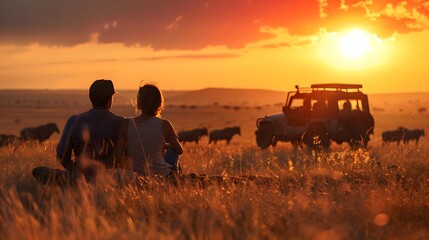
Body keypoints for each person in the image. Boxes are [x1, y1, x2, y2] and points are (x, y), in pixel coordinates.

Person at [32, 79, 125, 186]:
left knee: (40, 171)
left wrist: (73, 171)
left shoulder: (74, 121)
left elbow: (61, 155)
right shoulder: (121, 123)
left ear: (91, 98)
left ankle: (69, 179)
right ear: (110, 100)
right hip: (109, 179)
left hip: (80, 176)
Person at [114, 83, 183, 177]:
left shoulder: (126, 124)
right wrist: (166, 146)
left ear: (139, 102)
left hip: (136, 175)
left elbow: (118, 157)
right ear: (159, 103)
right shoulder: (164, 124)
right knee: (173, 151)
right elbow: (179, 150)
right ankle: (178, 179)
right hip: (162, 174)